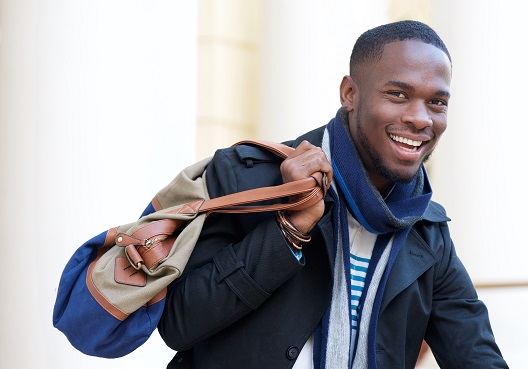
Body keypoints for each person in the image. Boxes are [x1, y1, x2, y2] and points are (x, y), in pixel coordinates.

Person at [157, 20, 509, 369]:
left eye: (436, 102)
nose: (420, 119)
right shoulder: (248, 176)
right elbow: (178, 324)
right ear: (350, 94)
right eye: (398, 94)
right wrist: (287, 231)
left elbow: (475, 355)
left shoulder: (427, 231)